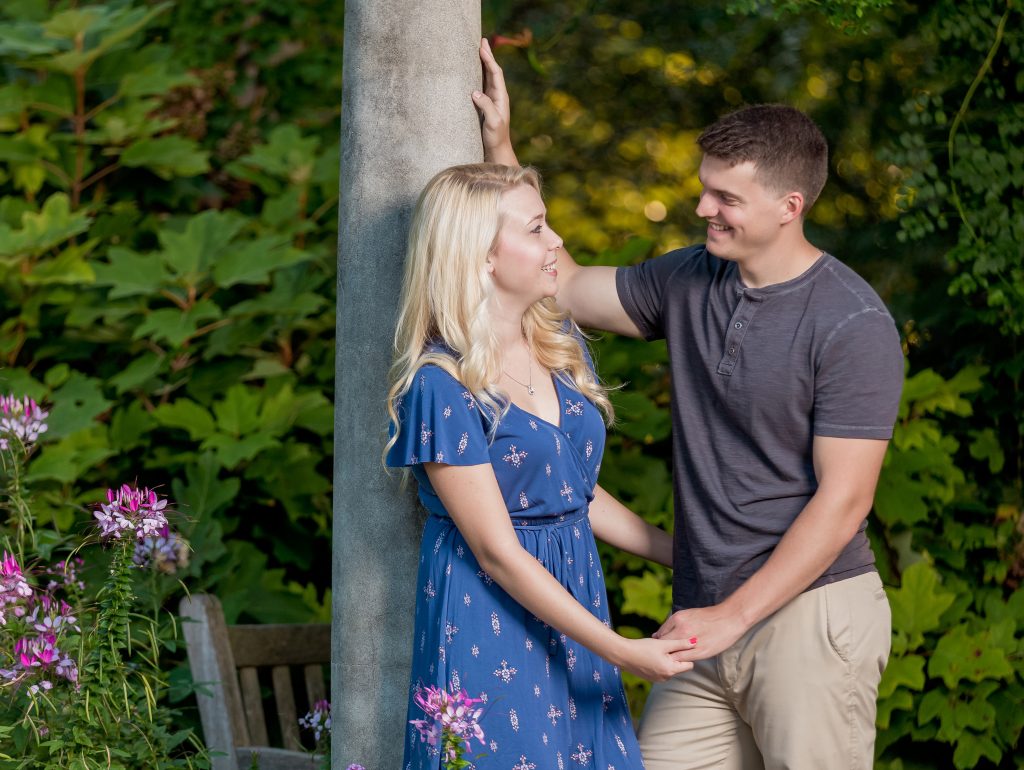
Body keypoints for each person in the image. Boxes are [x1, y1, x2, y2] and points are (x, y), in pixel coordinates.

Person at [473, 38, 904, 770]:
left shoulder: (850, 324)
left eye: (726, 198)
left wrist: (730, 617)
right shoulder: (690, 278)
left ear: (788, 206)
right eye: (705, 188)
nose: (703, 207)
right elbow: (567, 286)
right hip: (703, 623)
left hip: (808, 615)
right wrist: (503, 150)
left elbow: (845, 501)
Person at [385, 162, 696, 768]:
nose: (556, 241)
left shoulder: (559, 346)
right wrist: (622, 651)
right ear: (482, 257)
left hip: (574, 602)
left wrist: (682, 553)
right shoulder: (440, 385)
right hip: (489, 615)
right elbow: (498, 552)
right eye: (536, 229)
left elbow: (574, 492)